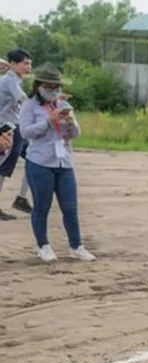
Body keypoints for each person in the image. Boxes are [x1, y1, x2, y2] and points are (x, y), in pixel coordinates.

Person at [20, 64, 94, 263]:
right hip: (40, 161)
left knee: (70, 207)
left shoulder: (62, 104)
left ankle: (76, 246)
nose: (53, 90)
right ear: (38, 86)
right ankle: (43, 246)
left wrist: (70, 123)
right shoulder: (29, 105)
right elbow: (25, 132)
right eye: (48, 86)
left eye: (56, 86)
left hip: (64, 162)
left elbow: (76, 133)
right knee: (42, 207)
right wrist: (48, 122)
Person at [0, 49, 33, 221]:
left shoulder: (13, 79)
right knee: (3, 167)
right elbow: (22, 100)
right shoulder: (10, 80)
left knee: (34, 157)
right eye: (25, 63)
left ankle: (21, 198)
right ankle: (20, 198)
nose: (29, 66)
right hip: (8, 126)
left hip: (16, 125)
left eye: (29, 63)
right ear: (13, 64)